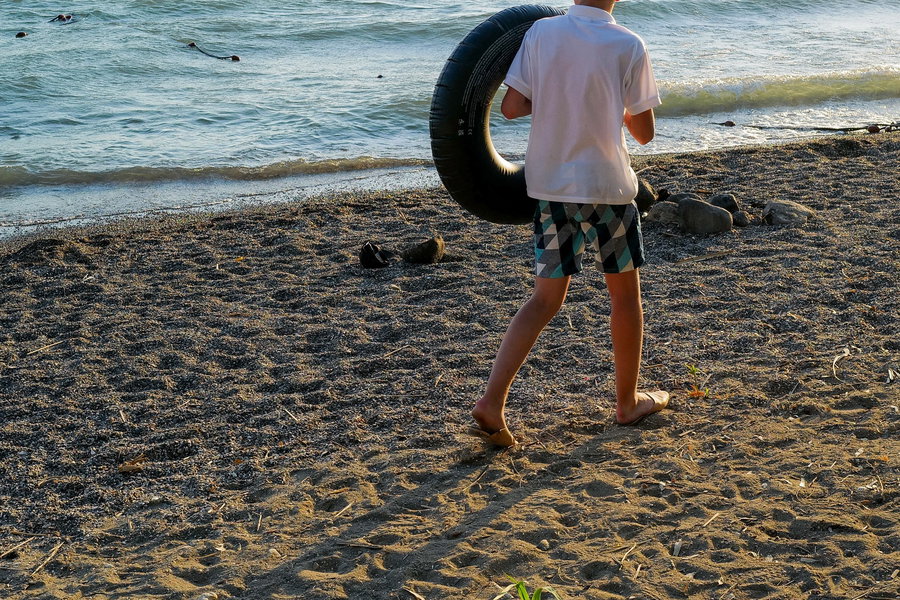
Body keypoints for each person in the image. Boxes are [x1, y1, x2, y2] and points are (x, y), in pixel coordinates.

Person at [469, 0, 669, 448]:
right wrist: (606, 106)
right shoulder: (629, 44)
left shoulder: (541, 33)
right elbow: (644, 132)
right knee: (624, 299)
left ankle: (492, 402)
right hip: (609, 190)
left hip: (552, 189)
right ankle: (627, 402)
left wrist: (560, 97)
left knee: (544, 300)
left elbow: (512, 107)